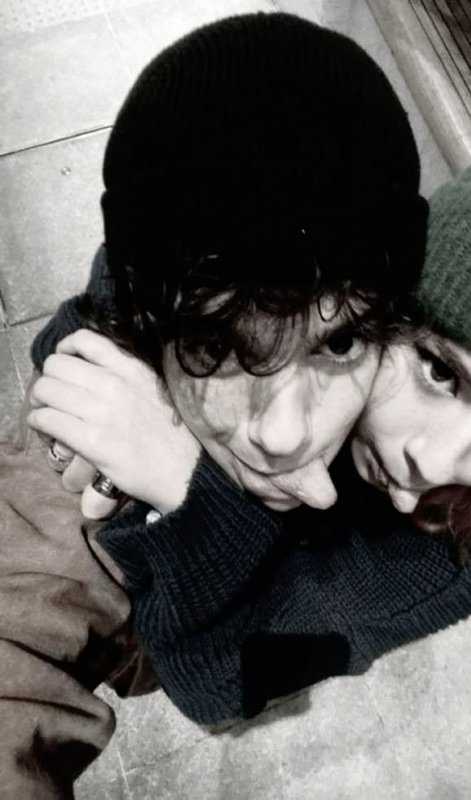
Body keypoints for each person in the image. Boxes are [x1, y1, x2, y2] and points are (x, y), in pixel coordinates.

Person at [0, 12, 428, 798]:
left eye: (339, 343)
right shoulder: (88, 461)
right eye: (215, 344)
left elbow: (249, 680)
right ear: (149, 328)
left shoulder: (441, 452)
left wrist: (201, 503)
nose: (285, 430)